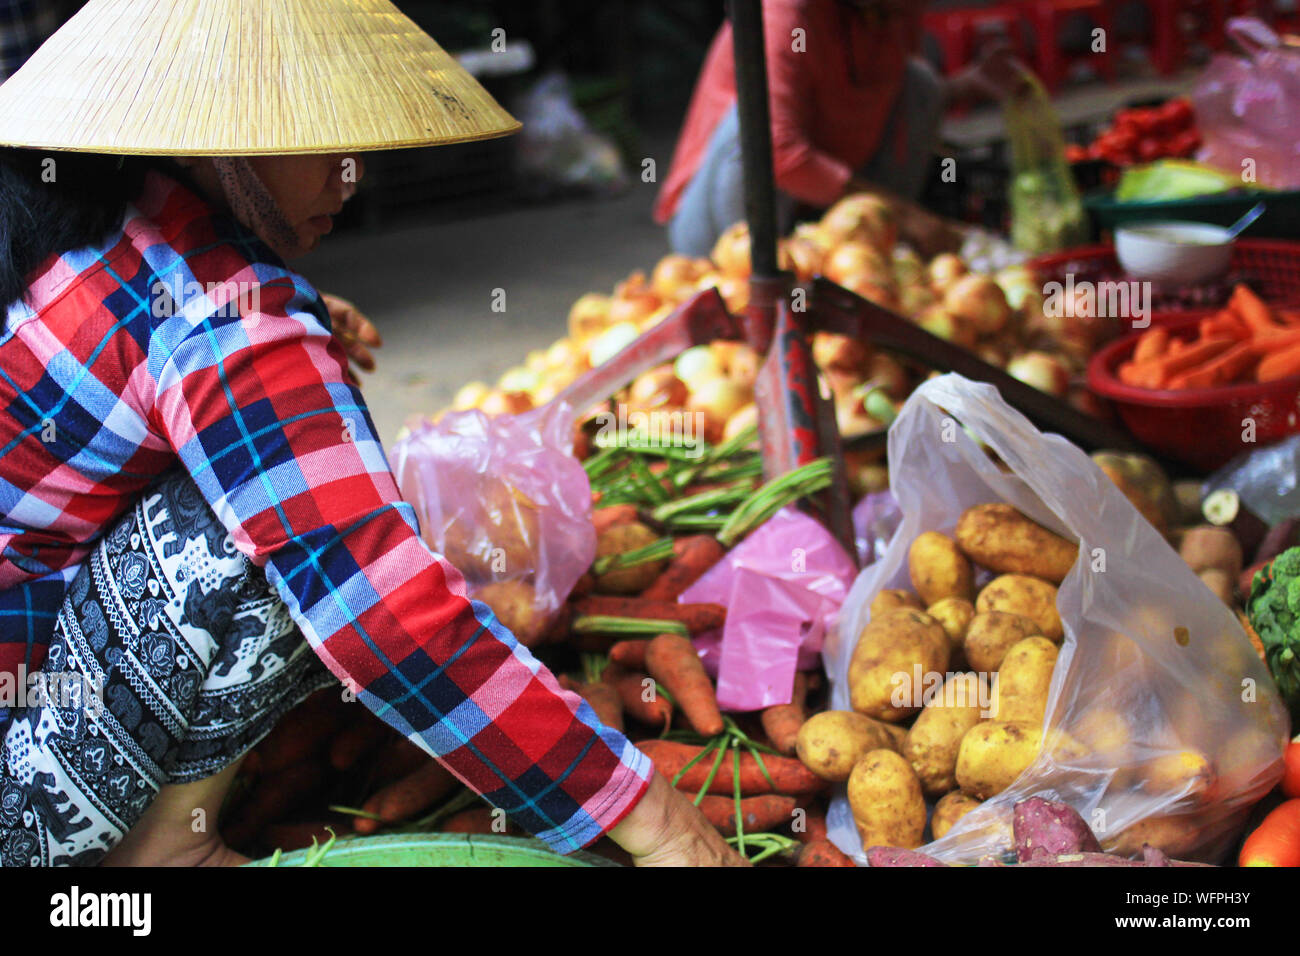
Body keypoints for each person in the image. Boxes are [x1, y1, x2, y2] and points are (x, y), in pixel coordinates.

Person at [0, 0, 744, 867]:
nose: (351, 175)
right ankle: (165, 853)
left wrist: (294, 330)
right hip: (23, 800)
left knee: (282, 464)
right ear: (226, 130)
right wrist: (647, 814)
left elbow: (138, 340)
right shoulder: (224, 319)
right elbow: (384, 611)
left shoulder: (78, 213)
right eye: (322, 137)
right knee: (290, 516)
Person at [655, 0, 1028, 259]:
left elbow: (876, 98)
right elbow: (781, 152)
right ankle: (758, 280)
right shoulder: (788, 15)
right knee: (754, 127)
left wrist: (964, 87)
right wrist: (907, 216)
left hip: (816, 215)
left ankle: (878, 249)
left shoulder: (894, 12)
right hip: (717, 227)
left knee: (921, 85)